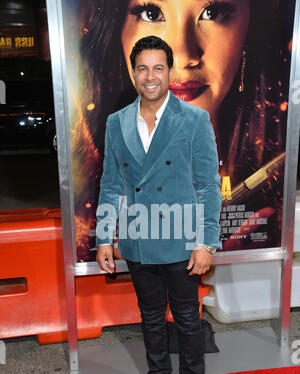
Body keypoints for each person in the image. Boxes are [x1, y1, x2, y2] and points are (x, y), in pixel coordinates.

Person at [72, 0, 293, 261]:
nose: (181, 55)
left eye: (212, 13)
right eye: (151, 13)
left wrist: (236, 270)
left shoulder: (274, 173)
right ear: (115, 27)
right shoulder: (91, 182)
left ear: (248, 29)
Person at [96, 36, 222, 374]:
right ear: (133, 73)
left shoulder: (194, 120)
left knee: (186, 320)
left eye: (158, 68)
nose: (150, 76)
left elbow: (207, 186)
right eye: (143, 68)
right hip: (137, 240)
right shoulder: (116, 122)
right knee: (150, 318)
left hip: (182, 240)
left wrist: (206, 242)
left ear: (170, 72)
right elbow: (111, 184)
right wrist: (104, 236)